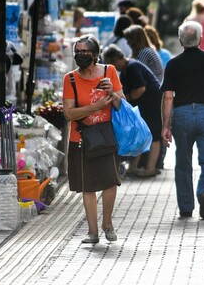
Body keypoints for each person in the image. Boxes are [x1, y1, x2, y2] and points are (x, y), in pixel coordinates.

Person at [161, 21, 204, 219]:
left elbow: (168, 96)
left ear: (181, 41)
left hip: (181, 116)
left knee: (182, 162)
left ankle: (185, 206)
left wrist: (166, 125)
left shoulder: (173, 64)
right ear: (200, 39)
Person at [62, 35, 124, 244]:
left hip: (106, 136)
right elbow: (69, 114)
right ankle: (92, 232)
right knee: (87, 186)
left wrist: (112, 94)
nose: (81, 56)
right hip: (80, 138)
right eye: (77, 52)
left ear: (96, 54)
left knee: (109, 181)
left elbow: (121, 104)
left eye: (85, 52)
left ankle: (108, 224)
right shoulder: (70, 79)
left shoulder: (109, 72)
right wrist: (96, 107)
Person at [102, 44, 162, 177]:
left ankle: (150, 168)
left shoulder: (132, 67)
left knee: (154, 136)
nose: (112, 67)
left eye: (111, 63)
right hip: (143, 106)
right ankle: (133, 167)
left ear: (116, 59)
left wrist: (125, 99)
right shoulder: (126, 70)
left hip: (152, 104)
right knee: (138, 133)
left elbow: (140, 89)